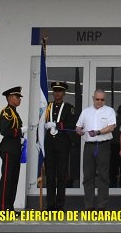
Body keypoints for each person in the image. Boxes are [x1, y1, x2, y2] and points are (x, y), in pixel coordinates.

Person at [75, 89, 116, 210]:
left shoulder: (109, 111)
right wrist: (79, 131)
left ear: (105, 99)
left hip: (103, 146)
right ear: (93, 98)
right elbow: (78, 127)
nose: (99, 101)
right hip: (89, 146)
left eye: (102, 99)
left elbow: (111, 127)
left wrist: (98, 132)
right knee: (88, 176)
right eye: (97, 99)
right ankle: (89, 206)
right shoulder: (86, 112)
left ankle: (102, 206)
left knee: (103, 176)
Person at [43, 81, 76, 211]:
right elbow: (41, 123)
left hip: (63, 144)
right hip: (49, 144)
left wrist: (57, 125)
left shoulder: (68, 107)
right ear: (53, 92)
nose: (57, 93)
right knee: (50, 175)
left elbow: (72, 123)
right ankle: (50, 205)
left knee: (61, 176)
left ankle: (60, 205)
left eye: (60, 91)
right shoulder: (47, 106)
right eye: (55, 91)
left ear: (64, 93)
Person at [0, 86, 27, 212]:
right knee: (7, 179)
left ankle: (10, 207)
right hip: (8, 149)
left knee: (13, 180)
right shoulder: (7, 112)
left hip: (15, 149)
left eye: (19, 97)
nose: (19, 99)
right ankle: (3, 209)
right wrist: (19, 131)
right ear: (9, 98)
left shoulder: (14, 112)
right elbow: (4, 131)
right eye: (17, 97)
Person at [110, 104, 121, 187]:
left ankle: (113, 185)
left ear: (117, 112)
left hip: (114, 145)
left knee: (113, 167)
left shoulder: (114, 120)